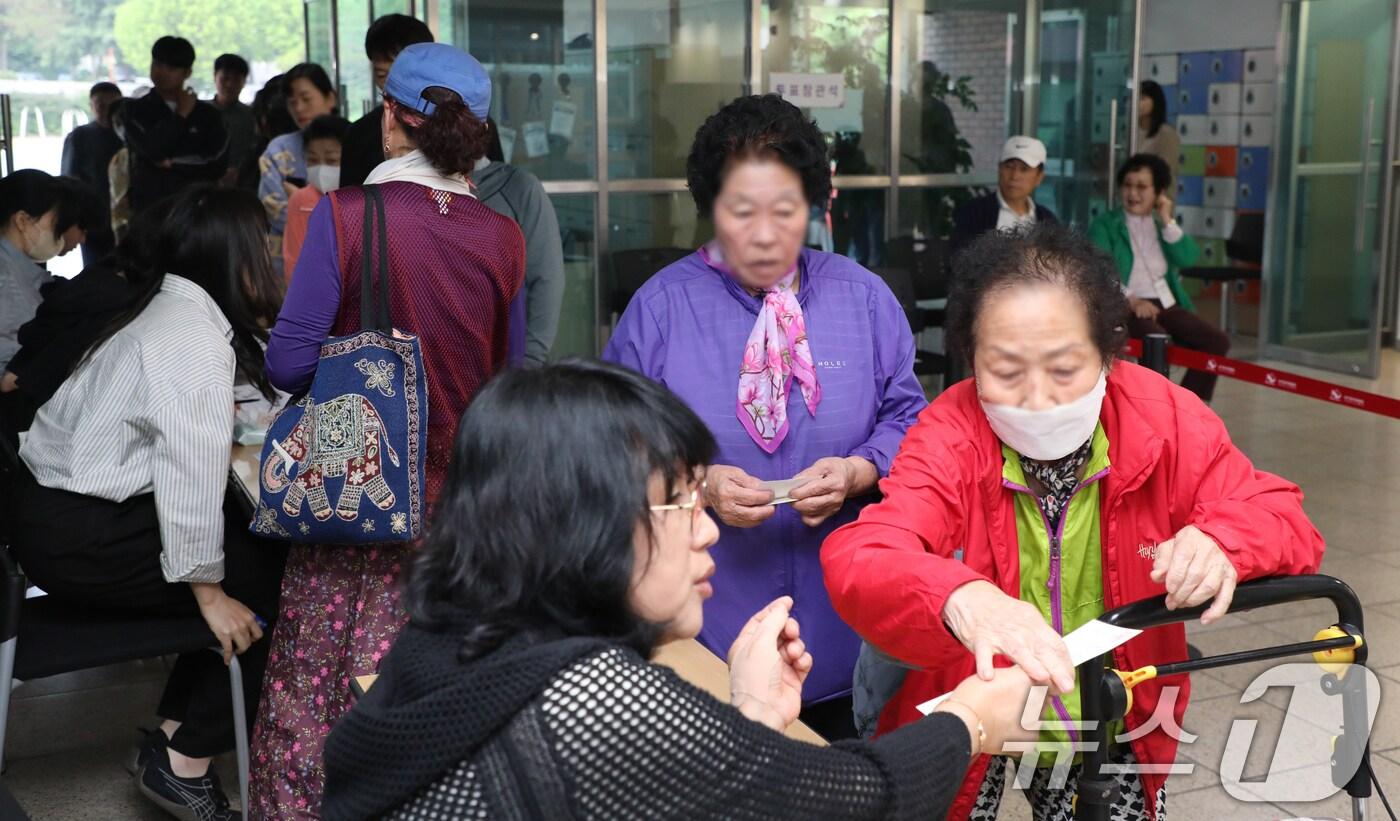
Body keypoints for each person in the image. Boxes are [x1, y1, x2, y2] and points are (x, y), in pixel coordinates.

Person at [319, 359, 1038, 820]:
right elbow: (858, 804)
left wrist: (751, 713)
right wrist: (971, 721)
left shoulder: (451, 636)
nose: (708, 531)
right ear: (582, 523)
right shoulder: (590, 696)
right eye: (682, 502)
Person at [821, 223, 1326, 821]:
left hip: (1112, 711)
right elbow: (867, 553)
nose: (1038, 398)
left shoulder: (1164, 418)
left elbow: (1279, 513)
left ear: (1111, 352)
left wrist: (1222, 540)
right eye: (1006, 371)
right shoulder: (950, 430)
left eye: (1064, 369)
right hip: (972, 699)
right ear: (970, 358)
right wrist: (959, 597)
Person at [251, 42, 526, 819]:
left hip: (356, 501)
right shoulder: (503, 236)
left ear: (392, 121)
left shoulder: (347, 216)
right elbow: (506, 381)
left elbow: (289, 362)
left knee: (323, 701)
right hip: (460, 518)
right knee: (437, 701)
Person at [603, 94, 926, 740]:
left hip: (844, 624)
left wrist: (862, 469)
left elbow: (910, 418)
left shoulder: (864, 300)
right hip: (709, 629)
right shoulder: (661, 309)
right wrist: (701, 483)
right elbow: (614, 441)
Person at [9, 185, 288, 821]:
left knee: (244, 552)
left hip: (54, 516)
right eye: (261, 243)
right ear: (232, 254)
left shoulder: (169, 304)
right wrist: (209, 595)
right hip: (81, 535)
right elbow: (188, 473)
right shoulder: (186, 334)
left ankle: (170, 737)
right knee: (271, 575)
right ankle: (187, 760)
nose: (268, 256)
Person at [1, 200, 172, 434]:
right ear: (21, 221)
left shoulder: (102, 281)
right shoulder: (117, 299)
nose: (82, 239)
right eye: (79, 227)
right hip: (46, 427)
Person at [1089, 153, 1230, 402]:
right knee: (1157, 340)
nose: (1133, 193)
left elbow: (1189, 257)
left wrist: (1167, 218)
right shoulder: (1105, 225)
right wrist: (1133, 301)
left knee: (1216, 342)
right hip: (1125, 304)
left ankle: (1189, 405)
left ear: (1158, 192)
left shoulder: (1160, 225)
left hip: (1165, 302)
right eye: (1128, 185)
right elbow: (1099, 271)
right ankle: (1154, 407)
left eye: (1142, 187)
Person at [478, 117, 565, 366]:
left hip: (510, 363)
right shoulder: (419, 192)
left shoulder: (519, 188)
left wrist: (530, 360)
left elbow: (547, 278)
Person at [124, 36, 229, 214]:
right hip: (149, 208)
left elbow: (217, 164)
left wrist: (172, 163)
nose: (161, 72)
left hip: (195, 210)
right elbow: (151, 150)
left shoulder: (208, 115)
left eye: (171, 68)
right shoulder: (133, 109)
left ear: (187, 73)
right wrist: (181, 114)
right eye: (157, 64)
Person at [1, 170, 84, 370]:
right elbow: (10, 370)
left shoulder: (21, 272)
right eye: (56, 224)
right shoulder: (6, 280)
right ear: (22, 221)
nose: (60, 234)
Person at [339, 14, 434, 188]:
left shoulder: (465, 127)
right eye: (383, 75)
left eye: (404, 76)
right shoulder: (360, 134)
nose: (394, 88)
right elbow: (347, 207)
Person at [258, 63, 339, 266]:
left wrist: (300, 202)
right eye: (292, 102)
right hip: (290, 260)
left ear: (330, 98)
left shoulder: (354, 140)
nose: (299, 108)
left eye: (306, 99)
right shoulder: (279, 150)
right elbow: (274, 209)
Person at [950, 135, 1059, 255]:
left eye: (1024, 169)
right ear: (999, 169)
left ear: (1039, 177)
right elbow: (958, 259)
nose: (1014, 176)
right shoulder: (973, 212)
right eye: (1009, 166)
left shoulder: (1047, 220)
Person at [60, 82, 124, 265]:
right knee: (96, 271)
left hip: (128, 220)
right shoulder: (80, 137)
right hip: (95, 223)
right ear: (92, 107)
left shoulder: (130, 135)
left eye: (113, 106)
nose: (106, 111)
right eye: (100, 105)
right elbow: (69, 181)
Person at [282, 114, 350, 277]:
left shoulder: (364, 197)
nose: (321, 169)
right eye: (313, 160)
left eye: (331, 160)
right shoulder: (300, 200)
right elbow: (293, 261)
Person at [213, 53, 258, 190]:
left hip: (243, 181)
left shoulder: (252, 115)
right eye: (225, 79)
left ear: (244, 81)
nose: (229, 85)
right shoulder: (200, 112)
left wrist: (239, 170)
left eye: (236, 80)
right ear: (215, 77)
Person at [1138, 81, 1181, 185]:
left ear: (1155, 101)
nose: (1138, 103)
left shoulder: (1166, 133)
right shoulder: (1134, 130)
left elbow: (1167, 171)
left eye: (1143, 98)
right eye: (1136, 98)